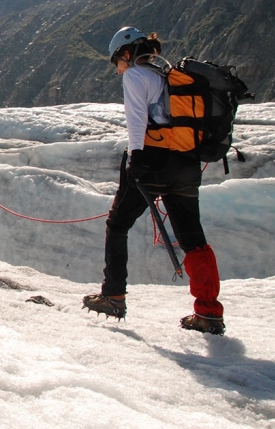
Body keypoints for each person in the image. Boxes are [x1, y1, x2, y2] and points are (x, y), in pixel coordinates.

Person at [83, 27, 225, 335]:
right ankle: (209, 312)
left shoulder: (135, 76)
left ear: (126, 53)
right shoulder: (167, 75)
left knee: (118, 224)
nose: (117, 68)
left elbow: (137, 119)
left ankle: (113, 295)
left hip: (154, 159)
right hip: (186, 162)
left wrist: (136, 157)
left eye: (116, 61)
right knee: (193, 238)